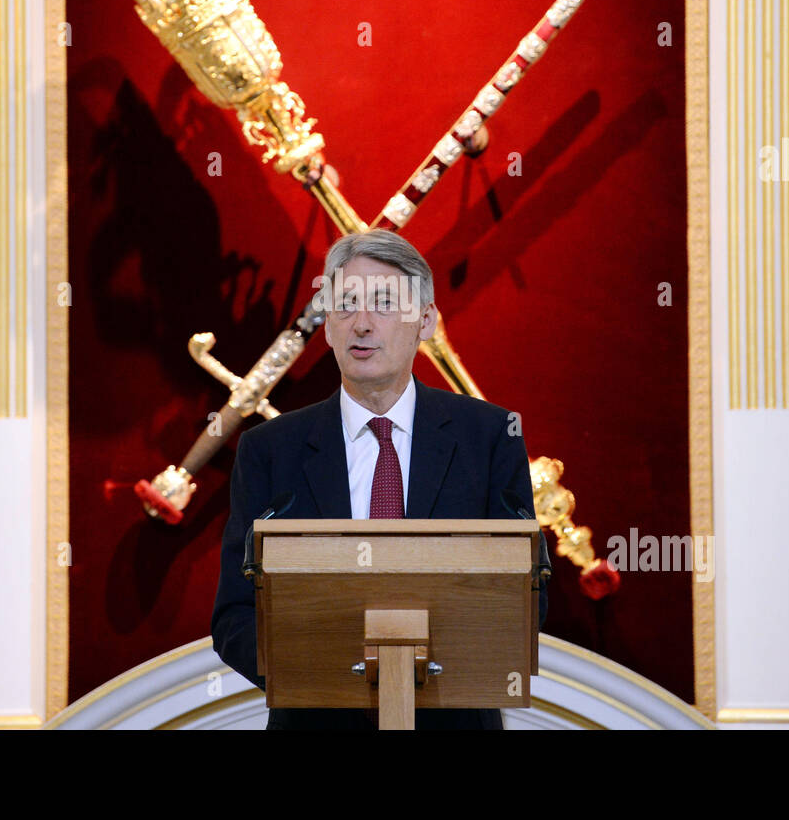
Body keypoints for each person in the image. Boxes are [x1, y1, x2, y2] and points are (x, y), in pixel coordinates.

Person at [210, 229, 548, 729]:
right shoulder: (269, 450)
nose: (361, 325)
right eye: (344, 305)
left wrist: (416, 672)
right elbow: (234, 617)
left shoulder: (490, 436)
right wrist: (334, 672)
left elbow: (527, 595)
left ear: (426, 321)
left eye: (385, 304)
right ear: (326, 327)